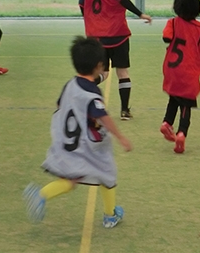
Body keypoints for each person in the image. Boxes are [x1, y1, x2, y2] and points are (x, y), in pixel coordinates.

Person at [23, 36, 133, 228]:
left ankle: (41, 195)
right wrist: (121, 137)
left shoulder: (70, 85)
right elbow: (103, 117)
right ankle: (110, 215)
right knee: (107, 173)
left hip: (67, 143)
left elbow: (59, 104)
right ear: (99, 65)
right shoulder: (93, 95)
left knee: (70, 180)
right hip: (88, 146)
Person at [78, 0, 152, 120]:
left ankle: (80, 93)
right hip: (117, 34)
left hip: (97, 36)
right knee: (123, 73)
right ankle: (125, 111)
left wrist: (92, 21)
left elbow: (82, 4)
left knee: (102, 73)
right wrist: (140, 13)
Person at [160, 0, 200, 154]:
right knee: (186, 105)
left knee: (174, 97)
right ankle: (181, 133)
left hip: (171, 69)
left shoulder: (173, 23)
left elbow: (166, 38)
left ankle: (167, 122)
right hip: (189, 71)